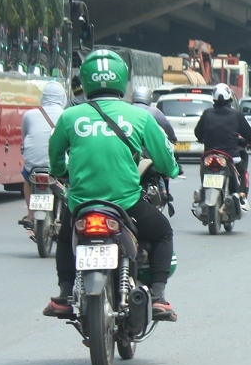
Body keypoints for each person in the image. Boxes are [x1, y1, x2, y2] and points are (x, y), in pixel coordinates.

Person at [43, 50, 182, 322]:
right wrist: (172, 170)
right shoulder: (139, 116)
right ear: (121, 80)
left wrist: (61, 173)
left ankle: (63, 296)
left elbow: (55, 156)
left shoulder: (70, 117)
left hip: (81, 202)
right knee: (163, 232)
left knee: (64, 237)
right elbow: (165, 159)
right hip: (126, 202)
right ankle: (157, 296)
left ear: (86, 80)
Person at [194, 83, 251, 209]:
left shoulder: (207, 114)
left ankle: (202, 194)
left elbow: (198, 132)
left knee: (203, 169)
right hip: (231, 156)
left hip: (209, 155)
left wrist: (202, 138)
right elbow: (249, 134)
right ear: (229, 98)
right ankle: (241, 196)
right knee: (243, 172)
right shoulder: (236, 115)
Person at [18, 81, 68, 230]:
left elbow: (25, 136)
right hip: (58, 165)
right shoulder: (68, 115)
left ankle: (29, 214)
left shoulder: (30, 115)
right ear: (63, 97)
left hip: (33, 165)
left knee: (27, 180)